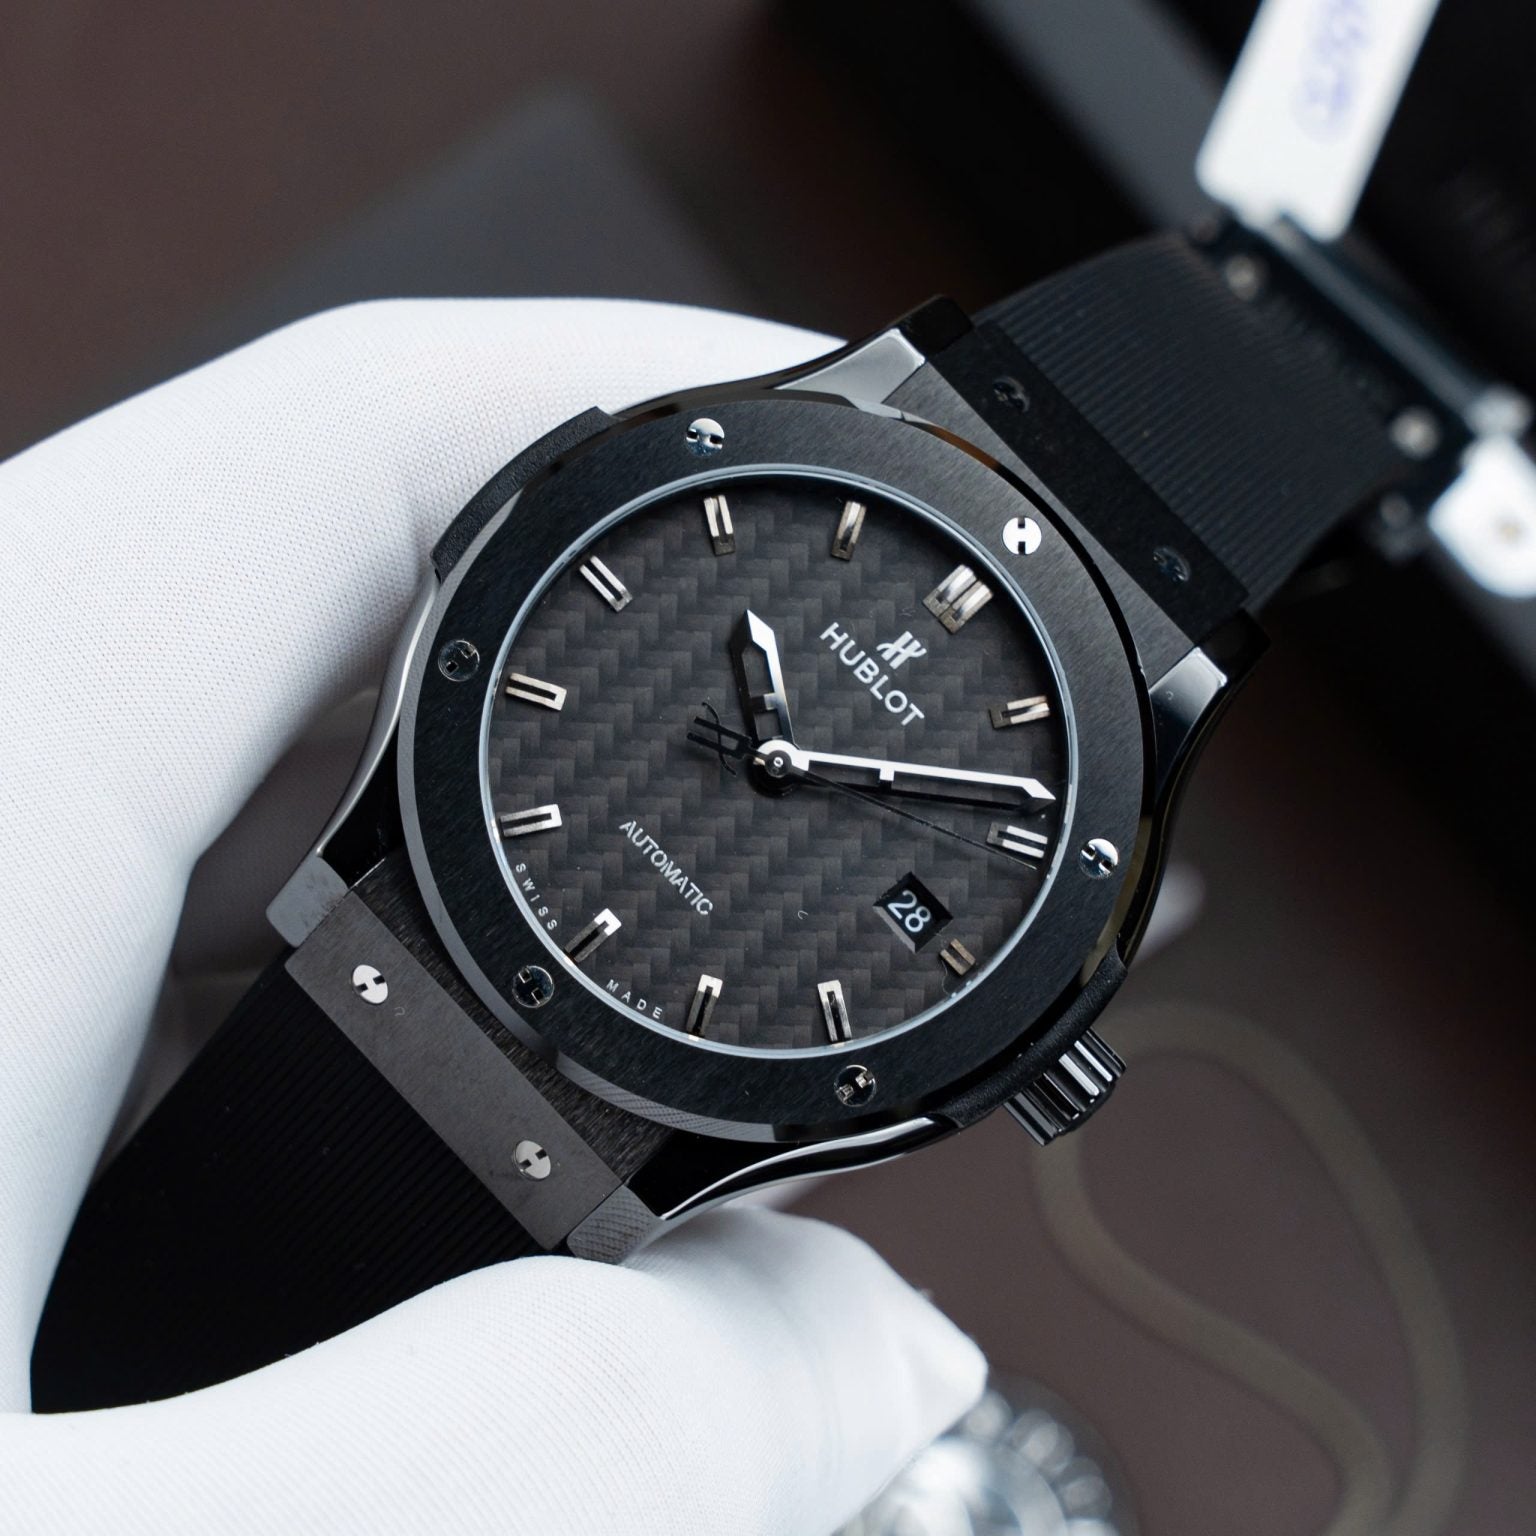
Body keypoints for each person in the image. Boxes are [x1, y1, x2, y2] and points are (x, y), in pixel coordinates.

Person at [0, 299, 984, 1534]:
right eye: (772, 755)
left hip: (563, 1066)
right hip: (405, 912)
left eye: (775, 766)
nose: (772, 768)